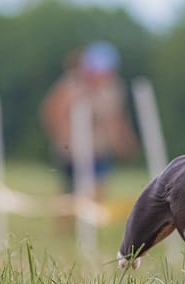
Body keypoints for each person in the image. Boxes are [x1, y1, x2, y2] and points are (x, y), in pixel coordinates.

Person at [41, 41, 137, 219]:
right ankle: (66, 234)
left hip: (98, 150)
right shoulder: (70, 85)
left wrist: (123, 142)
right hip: (70, 150)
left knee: (97, 194)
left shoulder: (113, 89)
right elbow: (52, 112)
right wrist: (61, 138)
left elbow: (116, 118)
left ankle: (90, 231)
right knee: (69, 198)